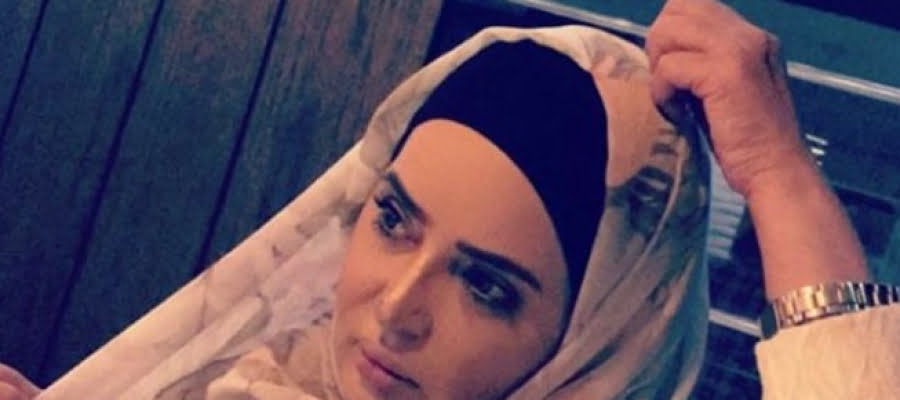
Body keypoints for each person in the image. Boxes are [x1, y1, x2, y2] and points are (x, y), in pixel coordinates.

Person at [3, 0, 898, 399]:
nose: (396, 310)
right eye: (393, 220)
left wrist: (779, 176)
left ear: (589, 343)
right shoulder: (268, 381)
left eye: (488, 286)